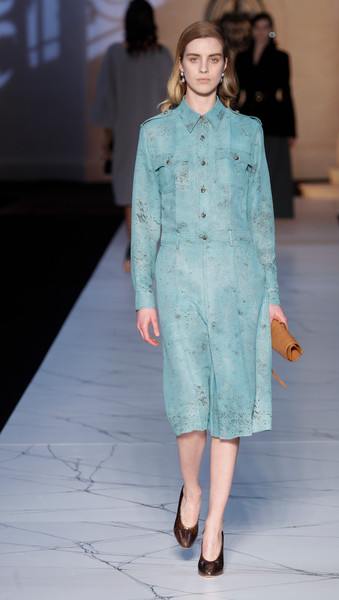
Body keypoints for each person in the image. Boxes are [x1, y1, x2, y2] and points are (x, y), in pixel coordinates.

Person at [131, 20, 287, 577]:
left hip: (239, 281)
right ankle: (191, 490)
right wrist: (143, 296)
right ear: (181, 65)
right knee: (189, 405)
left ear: (225, 67)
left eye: (213, 59)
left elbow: (262, 217)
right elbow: (144, 220)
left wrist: (273, 295)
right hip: (177, 281)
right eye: (193, 58)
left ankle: (215, 524)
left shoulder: (247, 133)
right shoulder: (155, 135)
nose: (203, 67)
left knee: (230, 406)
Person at [91, 0, 172, 271]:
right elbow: (173, 98)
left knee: (130, 192)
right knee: (156, 191)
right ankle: (153, 252)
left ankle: (134, 250)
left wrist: (107, 140)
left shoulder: (116, 54)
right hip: (158, 134)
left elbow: (106, 99)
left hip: (127, 135)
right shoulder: (161, 55)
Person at [235, 12, 296, 218]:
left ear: (271, 30)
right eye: (257, 27)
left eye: (265, 27)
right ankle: (251, 210)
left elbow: (286, 93)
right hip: (249, 113)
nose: (261, 32)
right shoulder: (242, 57)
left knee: (275, 165)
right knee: (249, 164)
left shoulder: (281, 57)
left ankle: (277, 210)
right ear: (252, 31)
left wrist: (291, 129)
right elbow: (236, 92)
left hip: (274, 115)